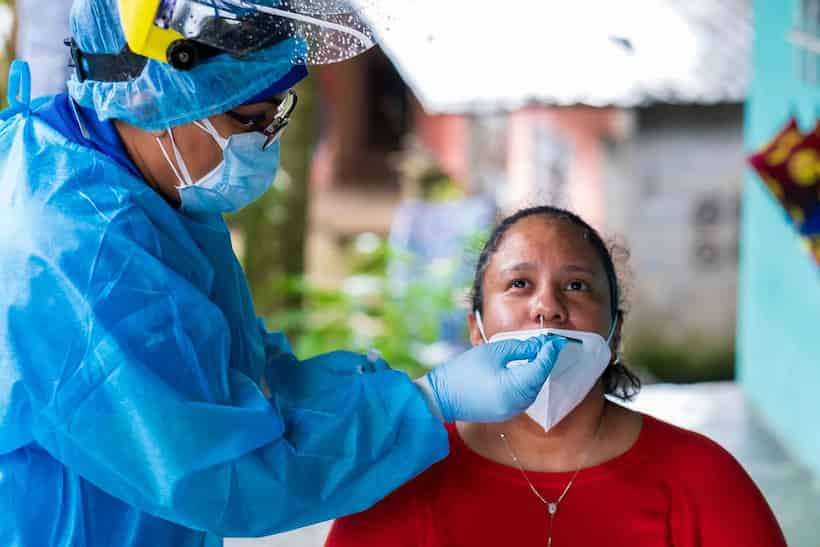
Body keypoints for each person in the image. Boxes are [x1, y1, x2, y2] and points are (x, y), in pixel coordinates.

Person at [0, 2, 565, 546]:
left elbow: (236, 379)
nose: (264, 141)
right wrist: (424, 404)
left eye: (277, 114)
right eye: (248, 118)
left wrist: (399, 396)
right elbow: (226, 473)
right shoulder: (82, 251)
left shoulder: (127, 185)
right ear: (153, 93)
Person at [326, 205, 787, 547]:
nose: (547, 307)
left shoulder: (704, 481)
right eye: (519, 284)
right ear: (476, 330)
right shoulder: (402, 479)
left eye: (577, 285)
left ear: (614, 331)